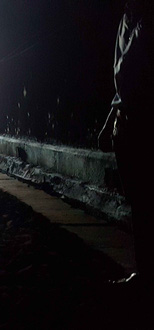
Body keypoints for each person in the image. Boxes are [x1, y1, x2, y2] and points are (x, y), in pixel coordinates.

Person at [98, 0, 152, 288]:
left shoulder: (148, 19)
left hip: (145, 124)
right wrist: (110, 121)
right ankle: (143, 271)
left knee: (147, 202)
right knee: (139, 203)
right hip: (126, 124)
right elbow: (122, 80)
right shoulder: (124, 21)